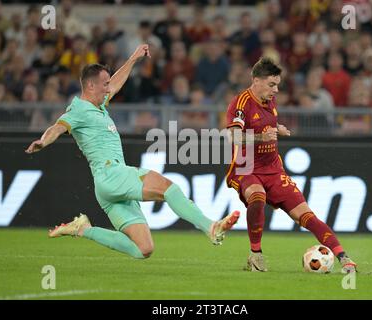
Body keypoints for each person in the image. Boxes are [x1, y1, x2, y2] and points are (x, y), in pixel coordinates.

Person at [25, 44, 240, 259]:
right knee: (169, 189)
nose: (109, 88)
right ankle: (210, 227)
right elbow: (58, 127)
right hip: (113, 174)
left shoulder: (97, 105)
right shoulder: (78, 110)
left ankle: (82, 229)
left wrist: (133, 58)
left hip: (106, 187)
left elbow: (117, 83)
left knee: (143, 249)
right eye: (104, 84)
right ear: (90, 85)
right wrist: (43, 142)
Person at [225, 57, 357, 273]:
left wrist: (278, 129)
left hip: (274, 170)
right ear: (256, 80)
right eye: (271, 84)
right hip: (246, 168)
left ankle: (345, 258)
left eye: (277, 84)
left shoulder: (269, 101)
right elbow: (234, 137)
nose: (276, 89)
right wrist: (261, 137)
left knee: (306, 215)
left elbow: (265, 124)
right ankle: (256, 255)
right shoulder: (240, 103)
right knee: (257, 196)